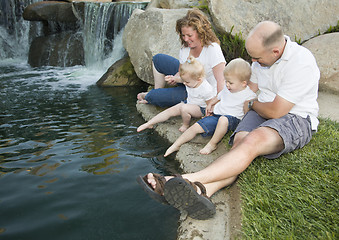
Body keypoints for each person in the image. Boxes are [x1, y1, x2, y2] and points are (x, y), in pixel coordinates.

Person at [136, 21, 320, 220]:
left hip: (294, 117)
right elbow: (250, 87)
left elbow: (276, 111)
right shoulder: (261, 59)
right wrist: (221, 97)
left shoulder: (301, 62)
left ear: (275, 51)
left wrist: (251, 105)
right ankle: (204, 190)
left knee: (253, 141)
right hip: (260, 107)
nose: (253, 61)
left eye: (257, 57)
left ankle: (183, 180)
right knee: (239, 146)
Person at [164, 58, 257, 157]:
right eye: (226, 81)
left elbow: (248, 112)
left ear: (243, 83)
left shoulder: (249, 95)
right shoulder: (227, 88)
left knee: (223, 120)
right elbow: (219, 96)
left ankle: (212, 144)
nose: (227, 85)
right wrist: (210, 104)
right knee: (196, 126)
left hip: (233, 119)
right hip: (218, 115)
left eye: (230, 83)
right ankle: (176, 145)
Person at [137, 8, 226, 108]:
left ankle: (152, 96)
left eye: (189, 35)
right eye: (183, 35)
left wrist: (215, 103)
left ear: (201, 33)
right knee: (158, 59)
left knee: (153, 96)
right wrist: (174, 78)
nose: (186, 39)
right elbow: (181, 72)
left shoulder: (212, 49)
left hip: (200, 91)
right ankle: (158, 91)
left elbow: (221, 81)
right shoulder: (185, 49)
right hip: (187, 81)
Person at [137, 57, 215, 133]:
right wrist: (173, 78)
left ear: (199, 79)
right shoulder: (191, 80)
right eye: (183, 81)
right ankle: (149, 123)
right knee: (171, 110)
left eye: (187, 82)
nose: (184, 83)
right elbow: (181, 79)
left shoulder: (206, 90)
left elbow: (209, 105)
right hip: (190, 102)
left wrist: (207, 115)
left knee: (184, 108)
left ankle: (186, 125)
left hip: (201, 108)